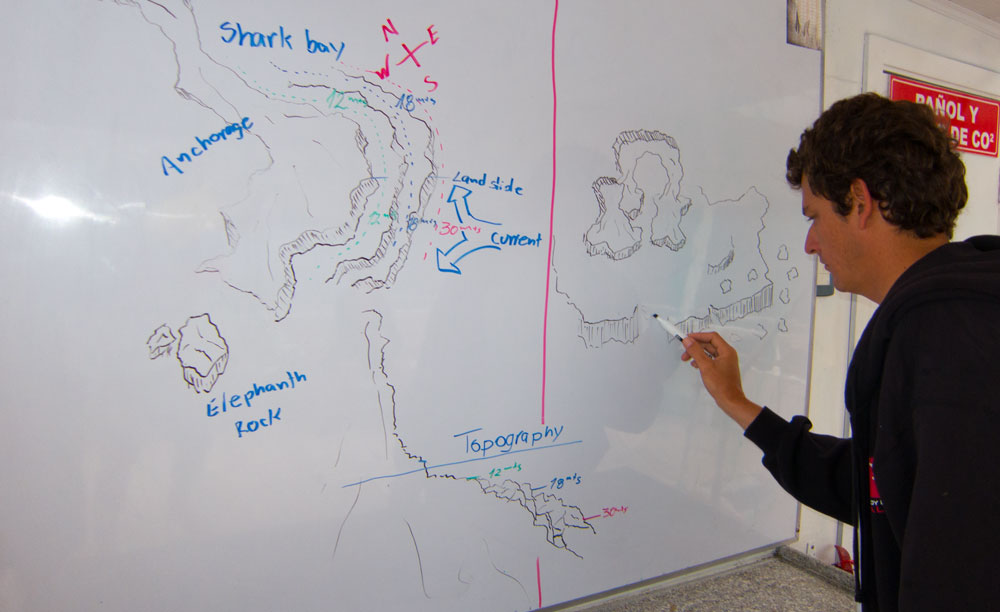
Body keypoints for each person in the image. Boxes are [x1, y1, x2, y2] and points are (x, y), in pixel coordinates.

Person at [680, 92, 1000, 611]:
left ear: (859, 201)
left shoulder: (948, 337)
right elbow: (879, 487)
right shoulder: (940, 320)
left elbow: (960, 572)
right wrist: (739, 405)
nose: (810, 244)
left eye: (814, 216)